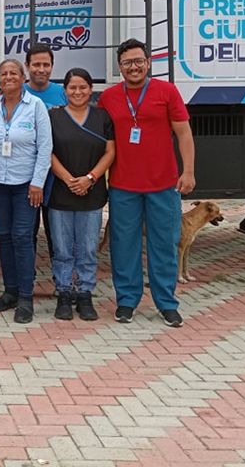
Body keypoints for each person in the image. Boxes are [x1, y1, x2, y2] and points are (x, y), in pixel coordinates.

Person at [97, 38, 195, 328]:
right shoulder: (108, 98)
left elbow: (184, 134)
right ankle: (127, 301)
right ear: (120, 67)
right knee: (123, 246)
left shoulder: (167, 91)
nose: (134, 67)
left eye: (139, 61)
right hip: (123, 185)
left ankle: (166, 303)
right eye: (127, 62)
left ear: (149, 63)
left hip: (163, 185)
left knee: (164, 245)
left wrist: (188, 171)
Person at [0, 59, 52, 324]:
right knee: (4, 237)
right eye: (3, 73)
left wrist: (38, 182)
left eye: (13, 73)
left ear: (23, 77)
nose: (8, 77)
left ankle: (26, 298)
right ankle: (10, 292)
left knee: (22, 237)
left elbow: (45, 147)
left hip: (26, 185)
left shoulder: (36, 106)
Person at [48, 68, 115, 321]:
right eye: (72, 87)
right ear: (64, 90)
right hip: (60, 192)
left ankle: (85, 293)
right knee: (62, 249)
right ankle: (64, 292)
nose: (77, 92)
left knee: (87, 248)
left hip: (92, 192)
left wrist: (90, 178)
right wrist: (67, 179)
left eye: (83, 87)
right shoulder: (53, 117)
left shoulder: (102, 117)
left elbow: (110, 152)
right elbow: (47, 151)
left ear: (90, 89)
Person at [24, 43, 66, 265]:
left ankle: (61, 277)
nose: (41, 69)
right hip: (26, 174)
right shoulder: (18, 92)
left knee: (57, 232)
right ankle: (26, 277)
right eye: (36, 64)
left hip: (56, 173)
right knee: (26, 231)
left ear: (52, 66)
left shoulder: (62, 93)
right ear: (27, 66)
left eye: (46, 65)